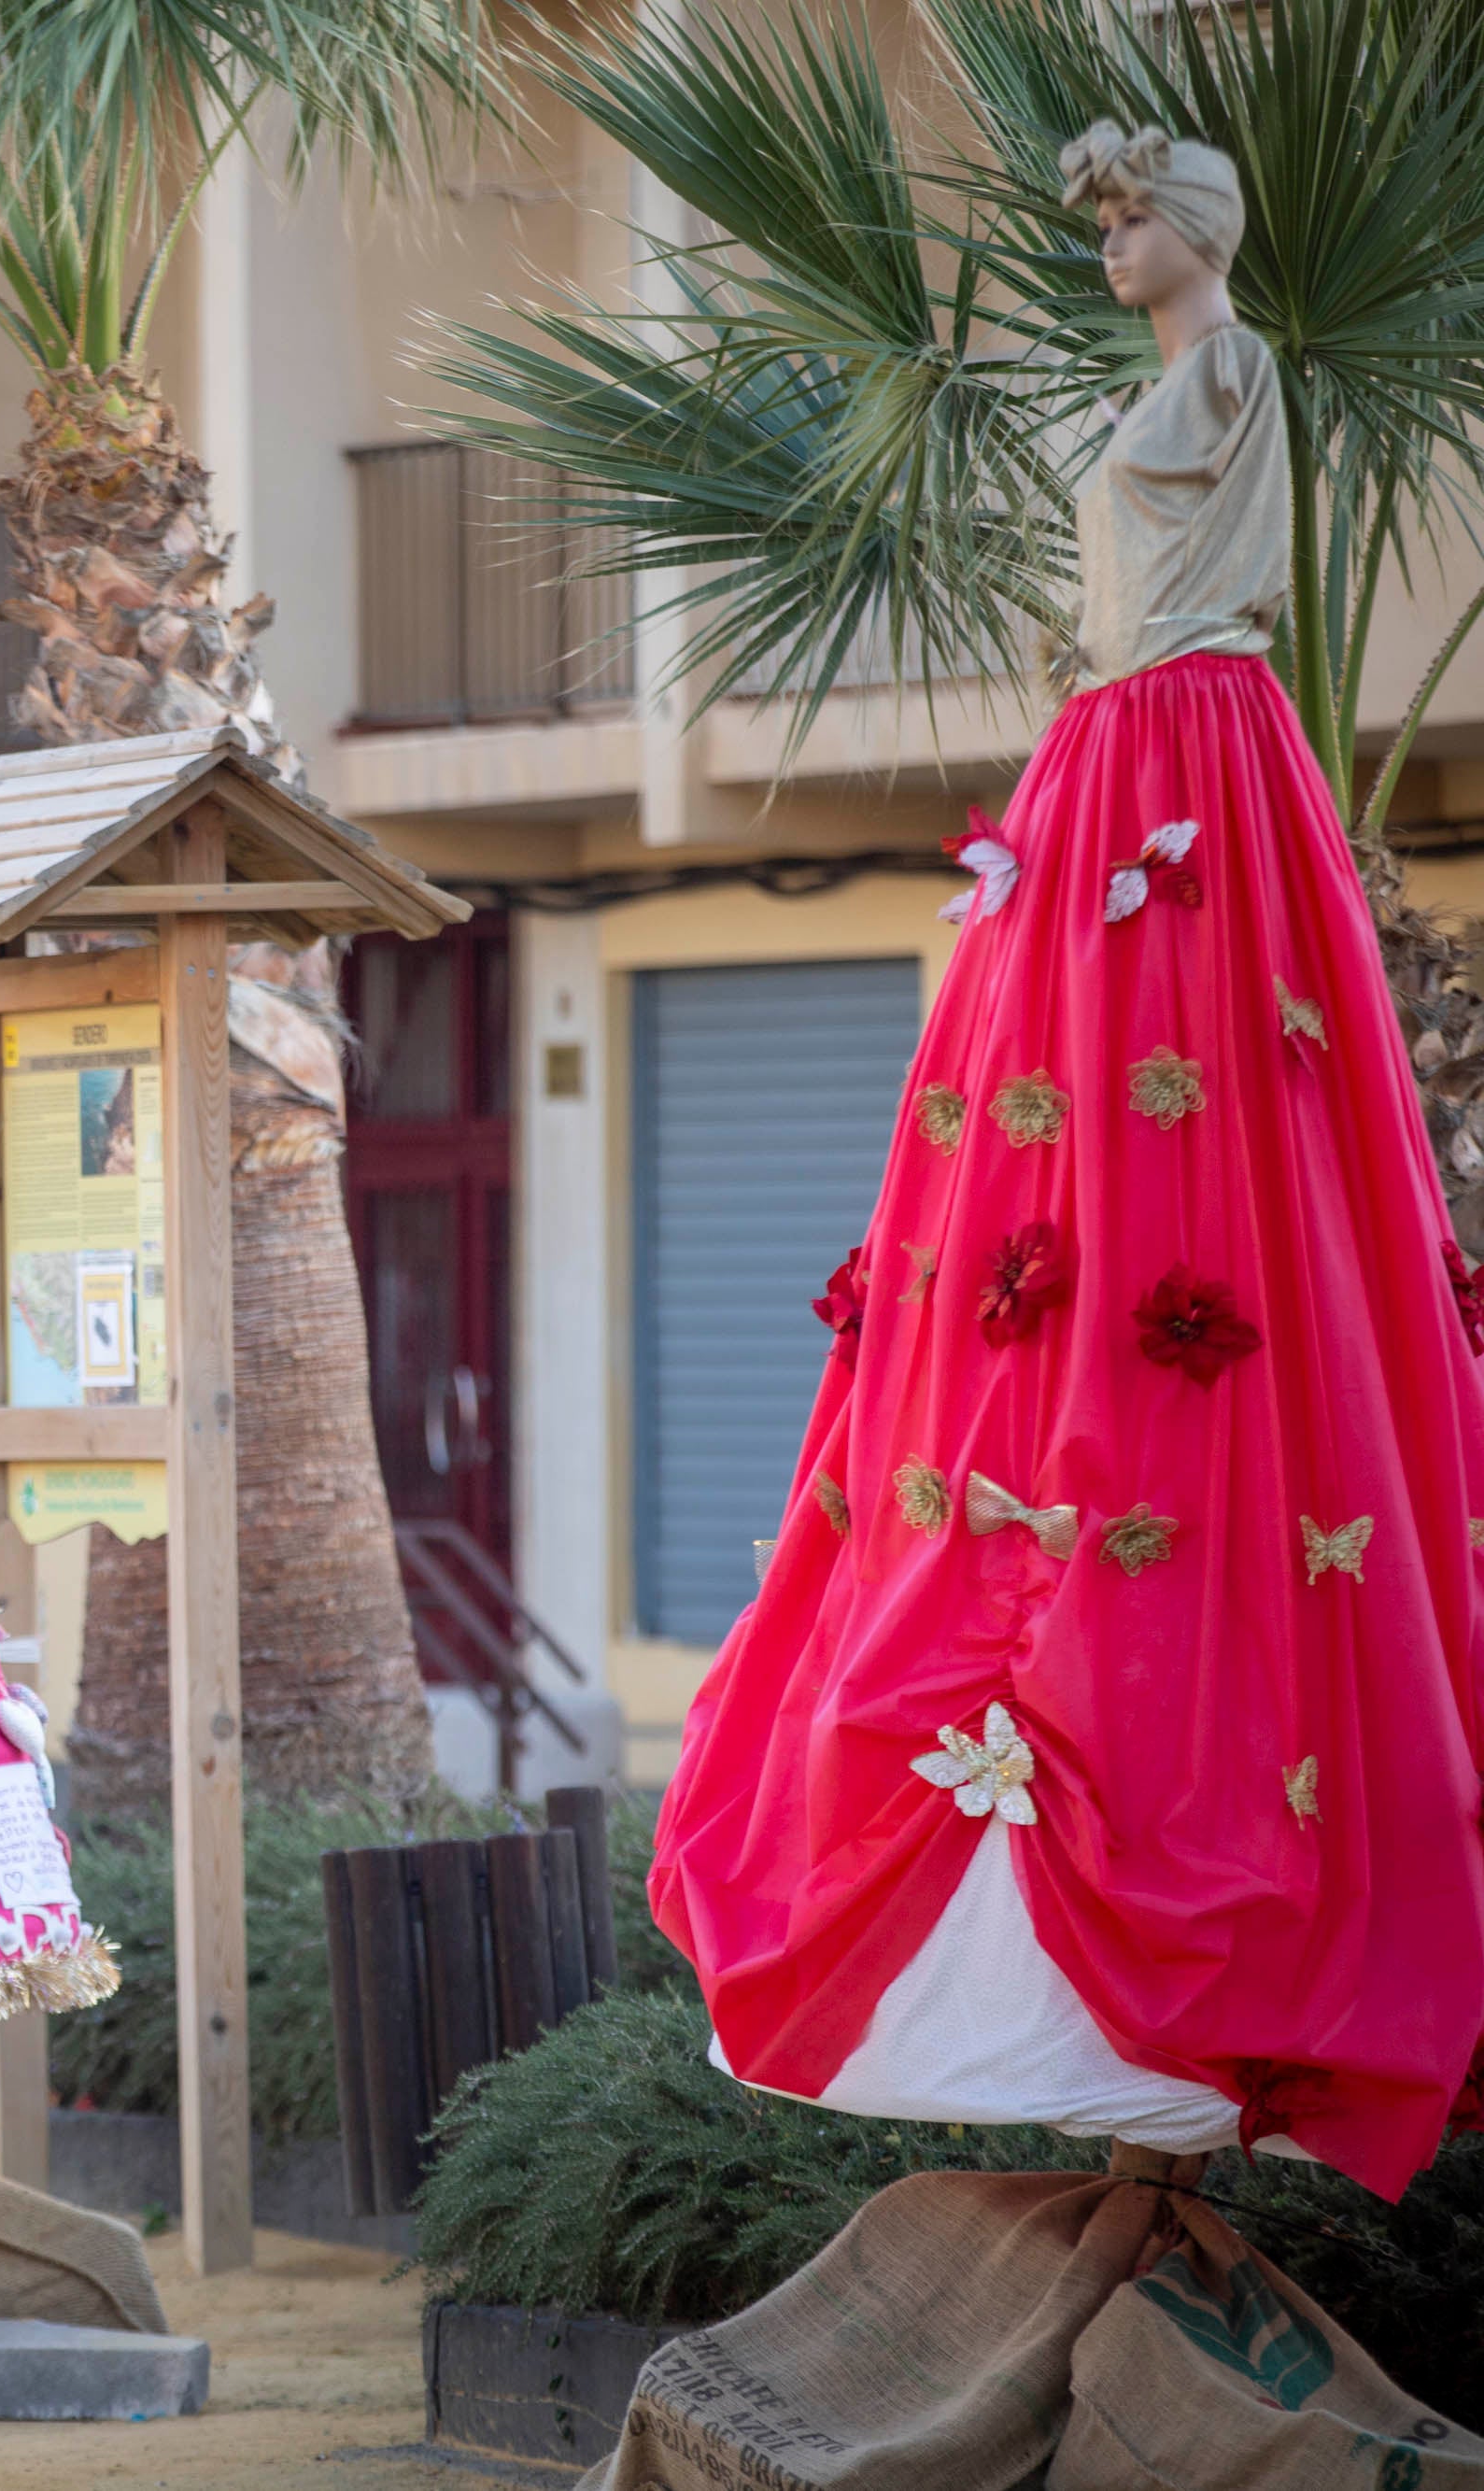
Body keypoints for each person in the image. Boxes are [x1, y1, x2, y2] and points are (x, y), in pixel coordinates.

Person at [652, 124, 1484, 2200]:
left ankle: (1212, 1898)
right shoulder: (1158, 396)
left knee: (1205, 1201)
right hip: (1107, 771)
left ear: (1194, 231)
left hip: (1188, 770)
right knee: (1049, 1226)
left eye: (1124, 219)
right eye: (1103, 220)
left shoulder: (1231, 371)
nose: (1105, 246)